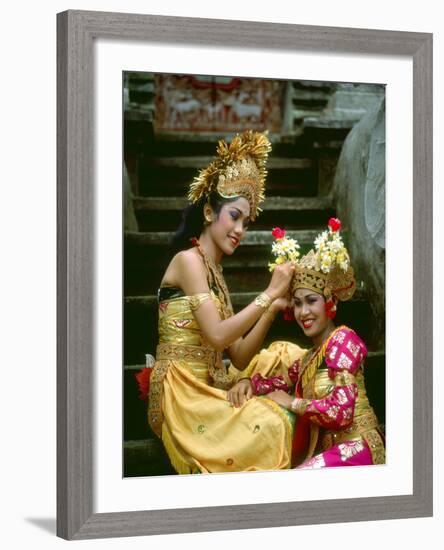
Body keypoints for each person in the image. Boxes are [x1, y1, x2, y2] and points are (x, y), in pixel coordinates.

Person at [140, 130, 305, 474]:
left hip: (215, 379)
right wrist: (270, 293)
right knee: (272, 423)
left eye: (246, 221)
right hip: (185, 391)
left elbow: (240, 355)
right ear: (209, 213)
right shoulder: (188, 261)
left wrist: (272, 310)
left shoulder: (216, 273)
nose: (241, 229)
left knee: (287, 355)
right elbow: (216, 335)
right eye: (234, 216)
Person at [232, 218, 385, 468]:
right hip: (333, 452)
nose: (303, 312)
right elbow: (279, 382)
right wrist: (248, 382)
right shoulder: (309, 358)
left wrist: (293, 402)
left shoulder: (344, 340)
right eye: (298, 303)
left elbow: (342, 412)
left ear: (331, 303)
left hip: (360, 447)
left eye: (311, 301)